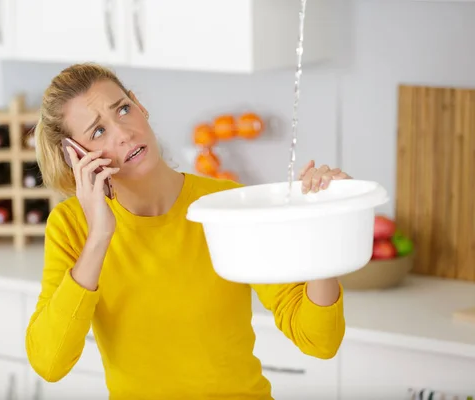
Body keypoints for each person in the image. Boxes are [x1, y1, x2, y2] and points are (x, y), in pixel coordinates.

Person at [26, 63, 349, 400]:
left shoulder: (225, 204)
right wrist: (99, 239)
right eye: (97, 132)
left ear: (140, 106)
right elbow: (50, 362)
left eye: (123, 109)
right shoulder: (71, 227)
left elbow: (320, 341)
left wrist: (323, 229)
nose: (123, 133)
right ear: (76, 157)